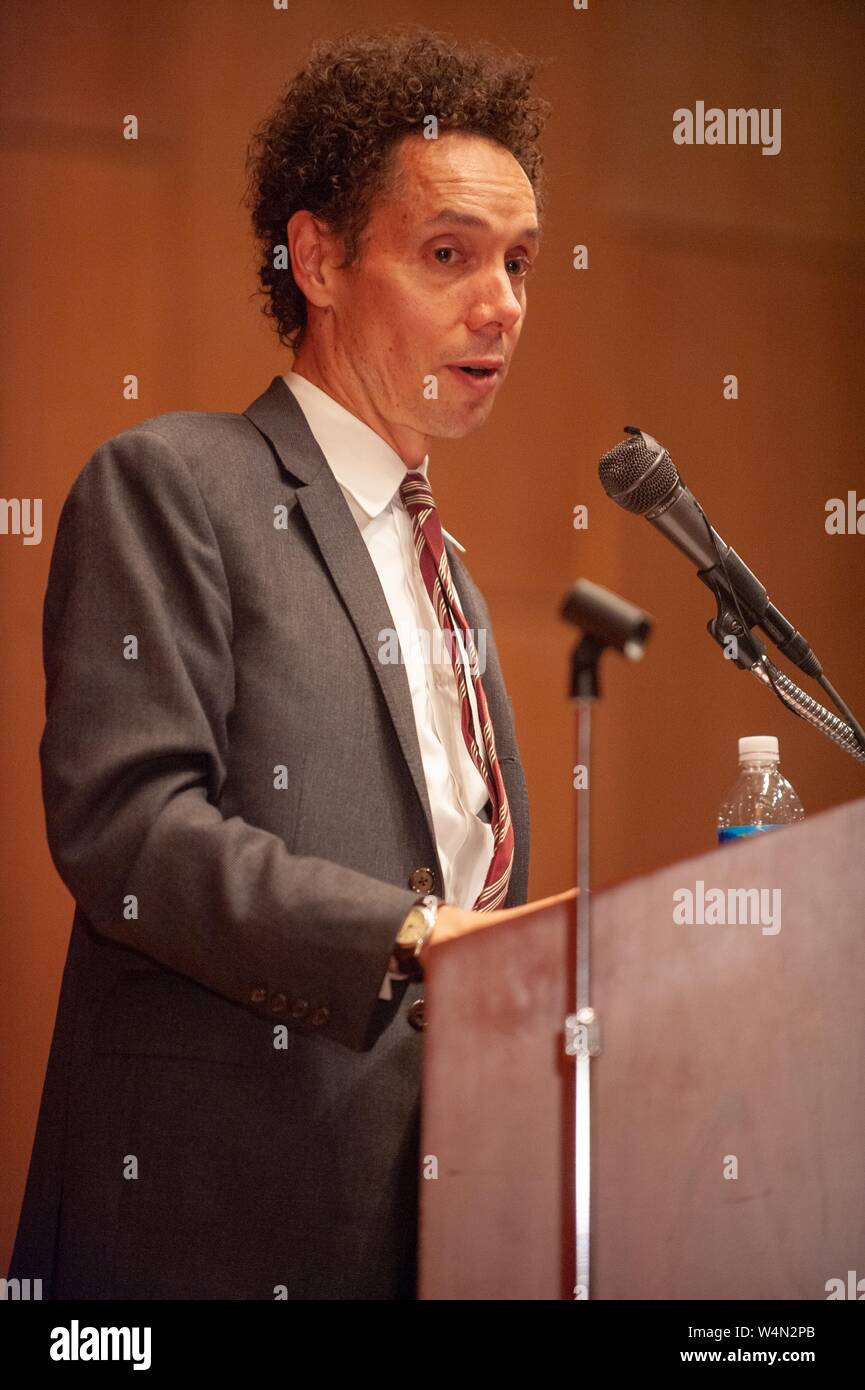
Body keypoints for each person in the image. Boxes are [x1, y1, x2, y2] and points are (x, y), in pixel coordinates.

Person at [9, 24, 548, 1299]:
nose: (504, 303)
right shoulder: (176, 485)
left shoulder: (449, 578)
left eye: (519, 262)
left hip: (443, 1226)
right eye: (448, 256)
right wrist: (419, 935)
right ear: (315, 258)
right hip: (211, 1223)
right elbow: (127, 833)